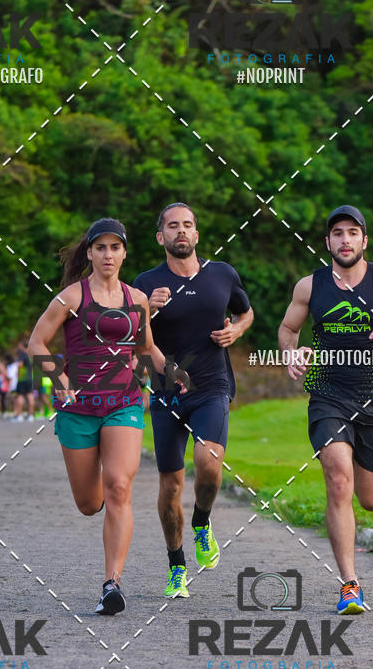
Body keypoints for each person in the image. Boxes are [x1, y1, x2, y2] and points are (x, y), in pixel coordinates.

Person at [28, 217, 190, 615]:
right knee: (89, 502)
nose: (107, 254)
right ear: (90, 253)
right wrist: (58, 376)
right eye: (99, 247)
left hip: (123, 401)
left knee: (119, 486)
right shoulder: (71, 297)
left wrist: (170, 372)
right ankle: (97, 502)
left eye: (114, 247)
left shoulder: (137, 298)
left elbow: (146, 346)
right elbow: (36, 343)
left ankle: (112, 584)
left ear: (124, 253)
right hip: (78, 408)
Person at [278, 205, 373, 614]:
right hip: (328, 394)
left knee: (371, 499)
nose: (345, 240)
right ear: (327, 243)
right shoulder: (310, 286)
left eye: (352, 233)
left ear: (364, 241)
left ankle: (355, 489)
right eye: (337, 233)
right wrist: (290, 353)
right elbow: (288, 330)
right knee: (338, 481)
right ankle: (350, 584)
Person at [133, 203, 254, 599]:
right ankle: (176, 566)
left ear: (197, 234)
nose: (180, 231)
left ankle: (202, 521)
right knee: (170, 485)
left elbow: (246, 312)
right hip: (167, 394)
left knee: (208, 462)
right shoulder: (145, 283)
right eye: (172, 226)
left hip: (212, 386)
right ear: (160, 237)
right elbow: (130, 338)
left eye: (187, 225)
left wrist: (235, 330)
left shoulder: (222, 274)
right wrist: (148, 309)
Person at [13, 340, 35, 422]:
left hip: (22, 378)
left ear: (23, 346)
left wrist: (18, 374)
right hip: (30, 378)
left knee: (20, 396)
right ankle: (31, 415)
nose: (18, 347)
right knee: (30, 396)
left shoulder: (22, 354)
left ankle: (19, 415)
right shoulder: (30, 355)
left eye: (19, 345)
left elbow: (20, 365)